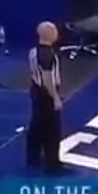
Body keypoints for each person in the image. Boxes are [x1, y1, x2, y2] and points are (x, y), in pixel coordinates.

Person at [28, 21, 64, 174]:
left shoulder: (33, 51)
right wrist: (55, 97)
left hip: (35, 90)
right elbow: (48, 78)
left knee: (37, 126)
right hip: (46, 93)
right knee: (52, 129)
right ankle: (52, 164)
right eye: (54, 30)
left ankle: (33, 159)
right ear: (50, 34)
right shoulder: (48, 55)